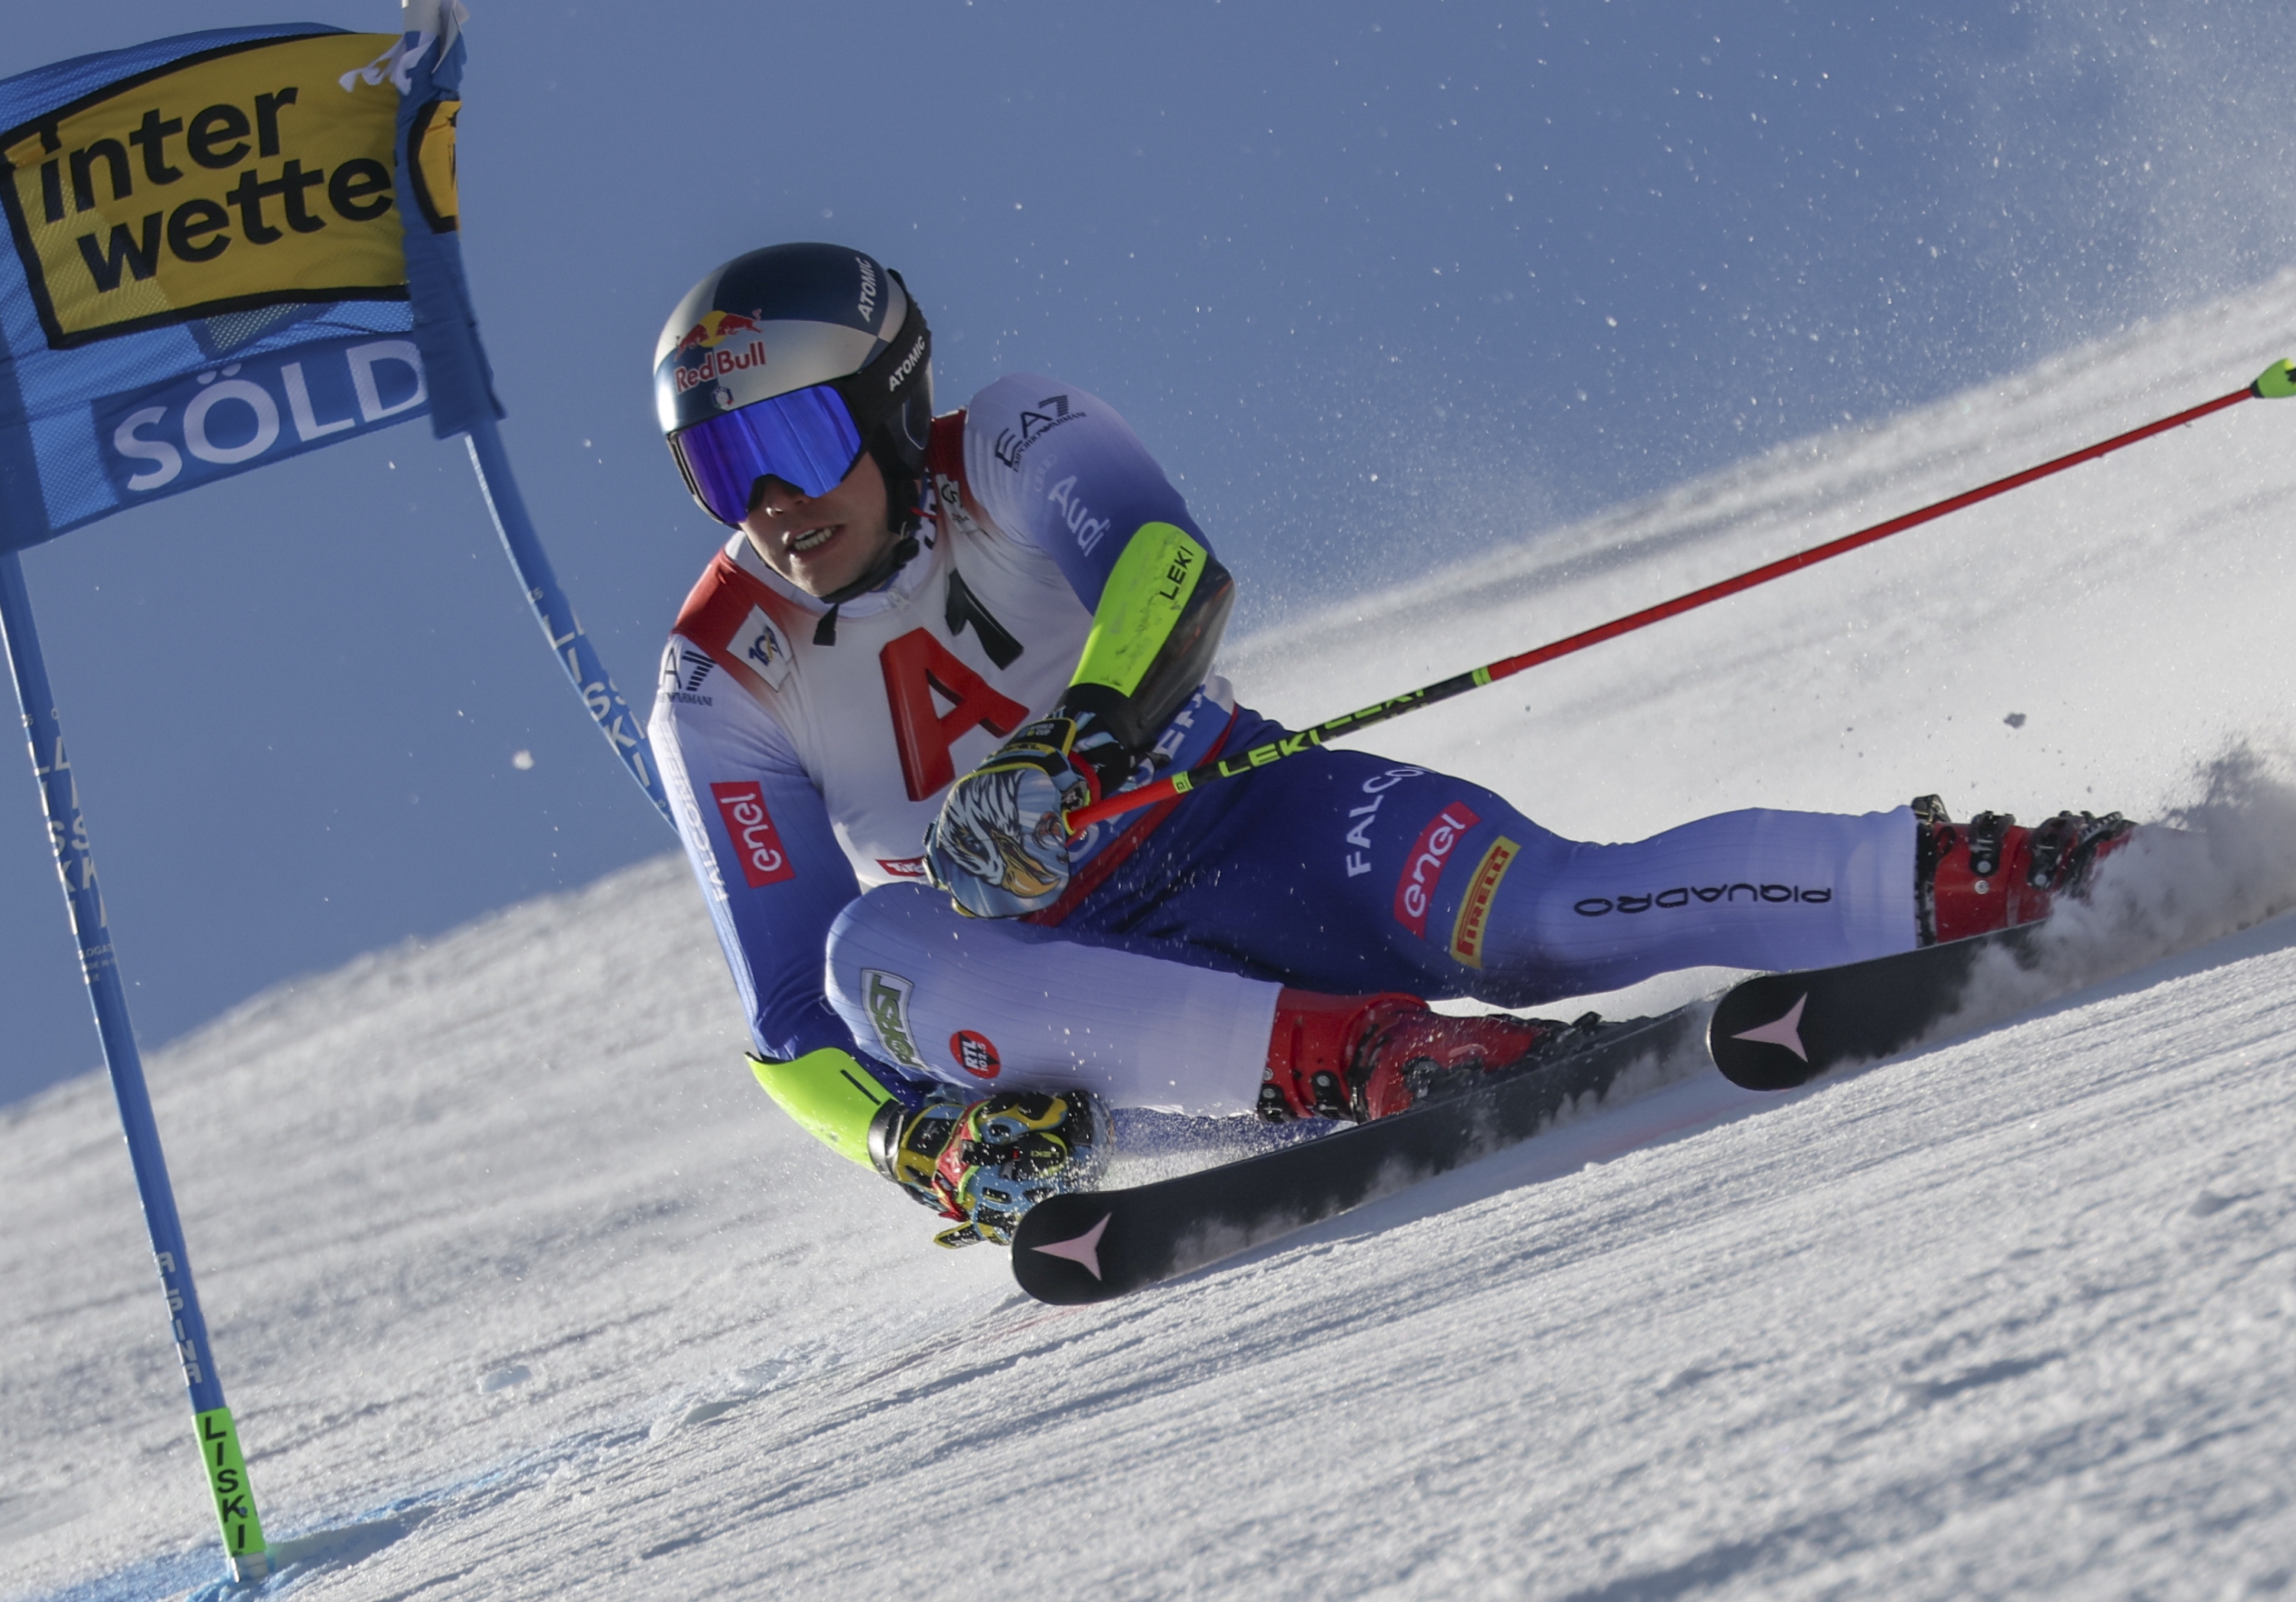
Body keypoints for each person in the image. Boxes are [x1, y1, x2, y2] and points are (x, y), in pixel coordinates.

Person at [644, 243, 2130, 1246]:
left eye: (794, 444)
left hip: (1260, 826)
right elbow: (790, 1018)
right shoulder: (719, 683)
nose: (770, 507)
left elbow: (1172, 571)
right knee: (875, 954)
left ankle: (1979, 875)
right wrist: (922, 1148)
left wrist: (1082, 745)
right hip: (1100, 999)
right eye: (721, 470)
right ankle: (1377, 1059)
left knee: (1546, 912)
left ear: (891, 405)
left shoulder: (1014, 438)